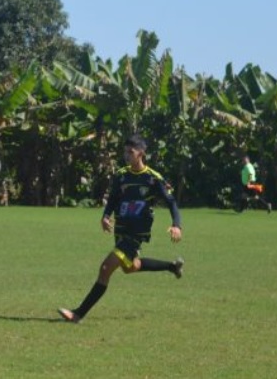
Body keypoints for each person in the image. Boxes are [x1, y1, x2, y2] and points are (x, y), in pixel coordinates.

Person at [57, 135, 184, 323]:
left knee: (105, 268)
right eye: (125, 151)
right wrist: (105, 216)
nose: (126, 155)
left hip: (136, 233)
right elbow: (114, 199)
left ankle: (78, 314)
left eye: (130, 152)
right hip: (121, 230)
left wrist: (176, 225)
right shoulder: (121, 175)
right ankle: (172, 267)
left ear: (141, 153)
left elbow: (171, 202)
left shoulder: (153, 178)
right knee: (131, 267)